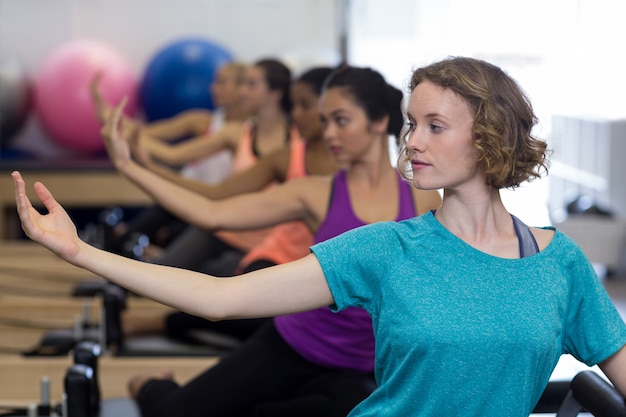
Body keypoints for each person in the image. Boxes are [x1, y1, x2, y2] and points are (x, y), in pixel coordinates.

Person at [14, 56, 623, 417]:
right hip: (298, 352)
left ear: (490, 139)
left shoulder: (560, 265)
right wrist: (81, 252)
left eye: (435, 126)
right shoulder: (385, 248)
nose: (412, 142)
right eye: (412, 124)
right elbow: (222, 299)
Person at [14, 64, 441, 417]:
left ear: (379, 122)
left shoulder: (421, 196)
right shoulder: (317, 191)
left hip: (359, 368)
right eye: (325, 121)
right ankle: (149, 384)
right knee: (176, 415)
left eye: (340, 120)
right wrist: (130, 168)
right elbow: (212, 212)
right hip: (292, 344)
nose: (328, 133)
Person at [124, 66, 340, 338]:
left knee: (225, 293)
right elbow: (215, 198)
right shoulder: (282, 154)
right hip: (254, 245)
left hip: (283, 257)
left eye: (251, 84)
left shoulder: (344, 167)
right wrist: (138, 167)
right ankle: (155, 313)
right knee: (204, 291)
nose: (297, 113)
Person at [90, 61, 249, 255]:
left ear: (243, 89)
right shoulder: (203, 121)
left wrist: (134, 145)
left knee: (165, 235)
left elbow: (171, 154)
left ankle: (135, 245)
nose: (213, 87)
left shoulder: (244, 133)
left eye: (222, 82)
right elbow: (146, 133)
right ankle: (124, 243)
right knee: (146, 224)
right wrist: (107, 114)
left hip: (208, 206)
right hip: (182, 195)